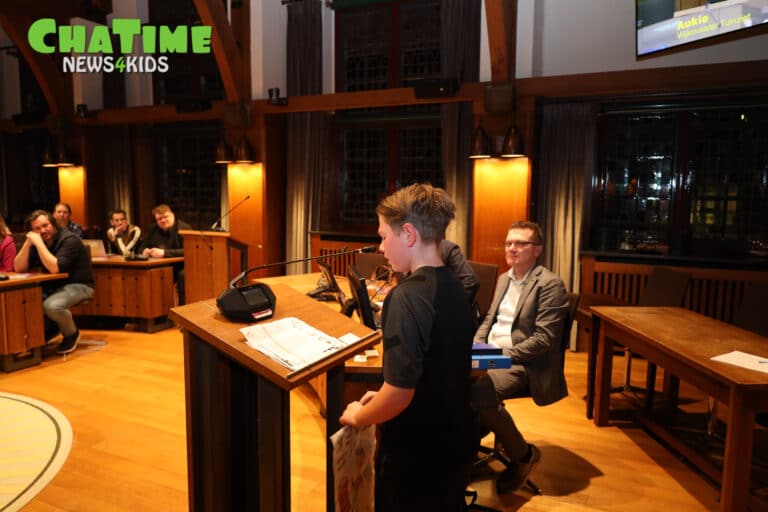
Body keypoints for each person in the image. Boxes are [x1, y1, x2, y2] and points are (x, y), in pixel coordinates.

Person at [340, 183, 476, 511]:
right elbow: (435, 367)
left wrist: (360, 416)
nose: (381, 247)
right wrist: (382, 395)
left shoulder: (406, 297)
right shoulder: (456, 286)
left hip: (418, 455)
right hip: (455, 439)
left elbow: (400, 395)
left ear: (410, 235)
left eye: (385, 236)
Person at [471, 220, 569, 494]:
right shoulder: (505, 278)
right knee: (451, 379)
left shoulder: (549, 284)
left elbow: (544, 340)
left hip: (523, 363)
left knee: (477, 389)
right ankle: (465, 445)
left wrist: (497, 354)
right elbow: (489, 320)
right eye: (509, 243)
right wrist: (476, 345)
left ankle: (524, 455)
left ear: (537, 250)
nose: (512, 248)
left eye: (521, 243)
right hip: (491, 353)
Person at [14, 209, 94, 354]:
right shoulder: (38, 241)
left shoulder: (69, 240)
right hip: (52, 286)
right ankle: (32, 339)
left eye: (46, 225)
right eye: (37, 228)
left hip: (79, 285)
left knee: (52, 306)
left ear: (53, 223)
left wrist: (39, 244)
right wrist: (27, 243)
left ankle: (71, 334)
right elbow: (18, 268)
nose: (42, 231)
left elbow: (55, 268)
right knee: (24, 301)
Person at [137, 204, 191, 304]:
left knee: (182, 275)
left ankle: (182, 308)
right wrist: (145, 251)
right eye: (159, 219)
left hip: (180, 266)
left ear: (172, 215)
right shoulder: (153, 229)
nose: (163, 220)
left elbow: (189, 251)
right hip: (157, 265)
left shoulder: (184, 228)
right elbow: (141, 248)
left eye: (166, 217)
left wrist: (165, 253)